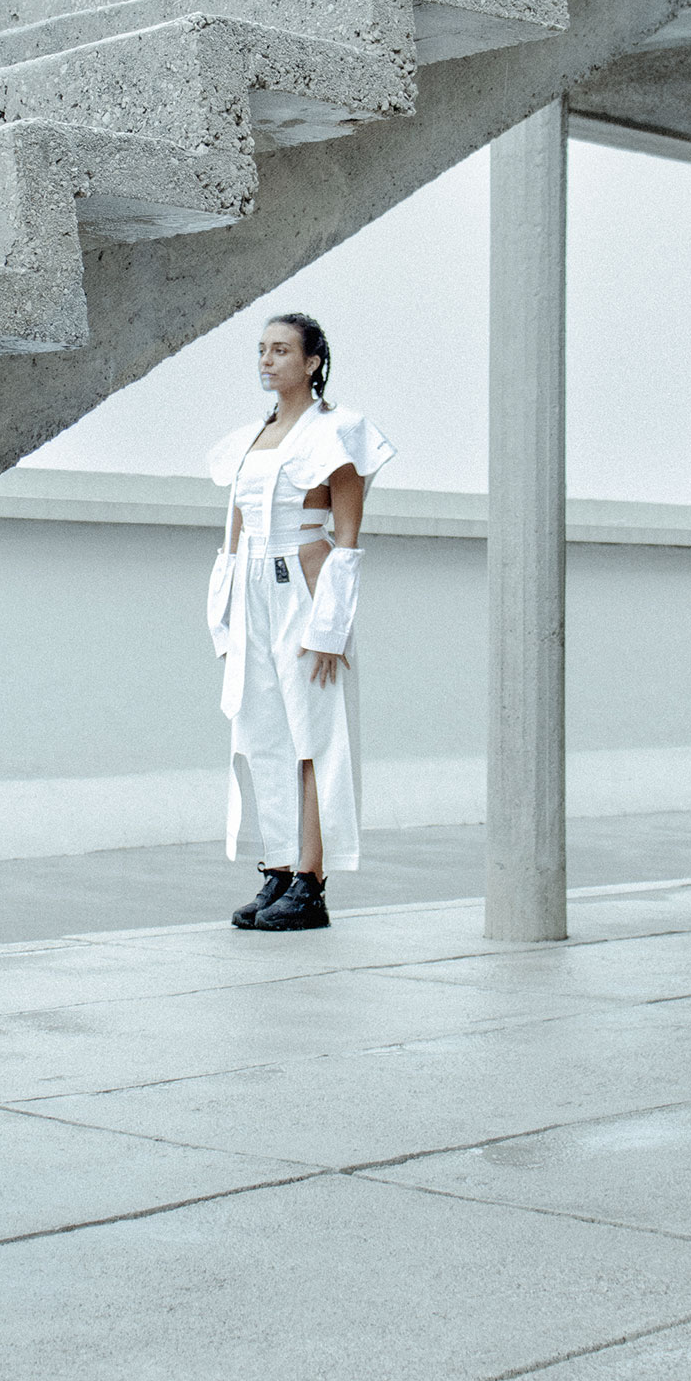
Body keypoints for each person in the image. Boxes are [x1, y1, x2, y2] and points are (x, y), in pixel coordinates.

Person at [206, 313, 395, 932]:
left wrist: (330, 628)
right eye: (261, 350)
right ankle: (279, 868)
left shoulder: (338, 431)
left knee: (315, 734)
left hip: (304, 592)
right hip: (253, 595)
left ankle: (312, 881)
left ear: (312, 362)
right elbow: (232, 535)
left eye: (281, 350)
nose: (266, 360)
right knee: (263, 730)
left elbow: (347, 535)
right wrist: (225, 617)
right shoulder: (247, 438)